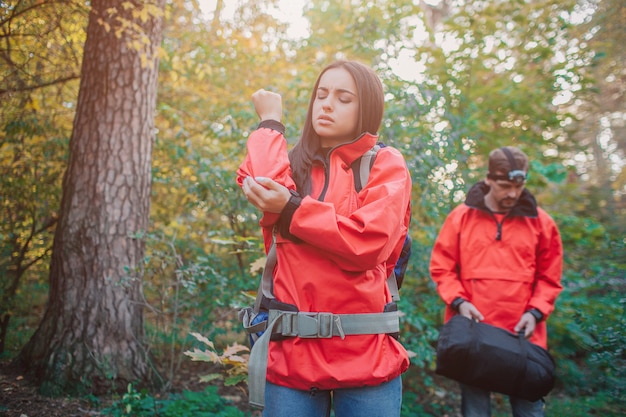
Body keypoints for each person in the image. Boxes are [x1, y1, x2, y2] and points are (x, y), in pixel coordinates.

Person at [236, 60, 412, 417]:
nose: (327, 104)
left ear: (367, 109)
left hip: (367, 356)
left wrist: (292, 210)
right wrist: (270, 124)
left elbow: (369, 243)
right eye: (321, 94)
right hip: (291, 356)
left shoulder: (384, 165)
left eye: (343, 98)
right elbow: (266, 185)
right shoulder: (291, 166)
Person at [429, 146, 563, 417]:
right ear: (488, 179)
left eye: (519, 185)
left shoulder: (542, 223)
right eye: (504, 185)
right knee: (476, 410)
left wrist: (535, 312)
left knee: (529, 410)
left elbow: (550, 277)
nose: (512, 193)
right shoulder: (461, 217)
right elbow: (442, 268)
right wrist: (460, 302)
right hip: (475, 335)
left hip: (524, 335)